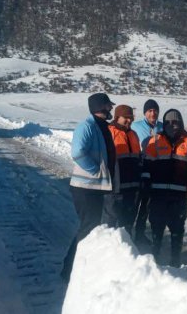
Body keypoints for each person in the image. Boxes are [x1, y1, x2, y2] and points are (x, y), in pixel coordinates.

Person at [61, 93, 116, 282]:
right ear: (101, 107)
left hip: (95, 188)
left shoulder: (101, 127)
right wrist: (96, 171)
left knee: (90, 229)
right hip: (85, 188)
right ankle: (70, 271)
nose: (111, 110)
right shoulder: (87, 126)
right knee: (87, 229)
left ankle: (78, 268)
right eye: (109, 106)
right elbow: (77, 152)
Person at [143, 109, 187, 267]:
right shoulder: (155, 140)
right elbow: (147, 164)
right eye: (169, 122)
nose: (173, 125)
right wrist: (145, 184)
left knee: (177, 228)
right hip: (158, 194)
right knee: (157, 228)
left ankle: (175, 261)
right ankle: (155, 259)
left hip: (179, 195)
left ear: (181, 123)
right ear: (164, 124)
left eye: (176, 122)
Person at [103, 105, 141, 234]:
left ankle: (127, 249)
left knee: (127, 223)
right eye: (126, 117)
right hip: (115, 188)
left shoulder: (134, 135)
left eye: (131, 118)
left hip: (132, 187)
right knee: (111, 222)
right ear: (117, 117)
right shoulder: (109, 132)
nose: (129, 120)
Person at [131, 99, 163, 245]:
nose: (153, 113)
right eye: (150, 110)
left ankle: (139, 233)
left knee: (147, 204)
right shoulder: (135, 126)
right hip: (139, 168)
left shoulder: (162, 127)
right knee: (134, 202)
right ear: (145, 113)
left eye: (155, 110)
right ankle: (125, 232)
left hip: (156, 170)